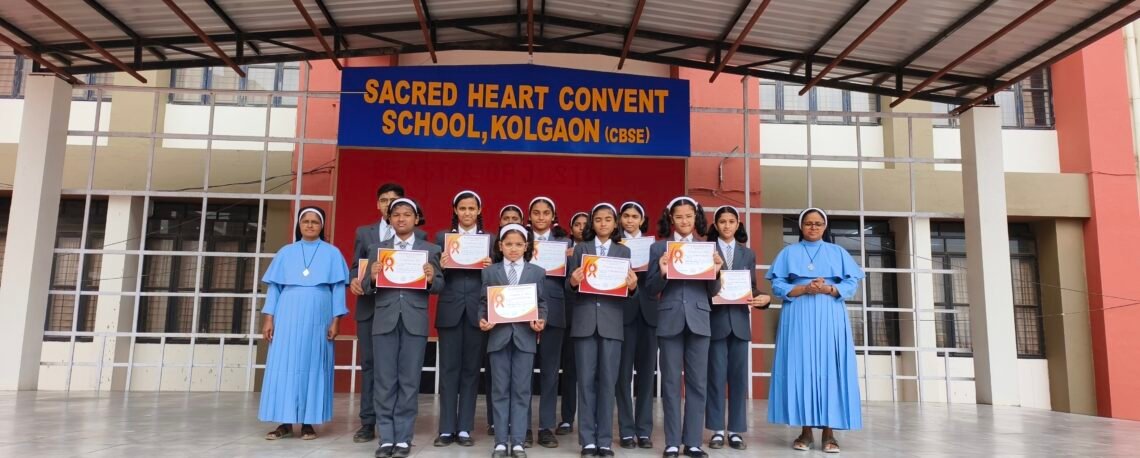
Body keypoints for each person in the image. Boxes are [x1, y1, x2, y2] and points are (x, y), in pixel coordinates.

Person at [767, 208, 864, 454]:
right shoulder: (788, 252)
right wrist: (804, 289)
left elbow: (851, 282)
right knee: (802, 369)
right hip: (798, 314)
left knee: (830, 369)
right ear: (801, 226)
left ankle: (830, 434)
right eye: (808, 223)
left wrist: (829, 289)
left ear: (825, 226)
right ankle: (806, 432)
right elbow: (777, 284)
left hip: (830, 314)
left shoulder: (838, 252)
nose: (813, 227)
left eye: (818, 223)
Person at [363, 198, 444, 458]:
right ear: (389, 219)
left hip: (414, 321)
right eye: (396, 214)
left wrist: (431, 279)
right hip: (384, 321)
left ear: (416, 219)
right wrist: (372, 277)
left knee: (409, 381)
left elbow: (440, 285)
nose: (401, 218)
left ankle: (403, 439)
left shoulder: (430, 249)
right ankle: (386, 438)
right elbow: (365, 287)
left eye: (407, 214)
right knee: (384, 381)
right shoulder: (377, 249)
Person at [259, 207, 349, 441]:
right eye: (305, 221)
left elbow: (338, 289)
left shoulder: (332, 253)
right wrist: (269, 318)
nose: (310, 225)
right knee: (286, 366)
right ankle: (285, 422)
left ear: (322, 226)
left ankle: (309, 422)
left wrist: (336, 320)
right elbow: (275, 288)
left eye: (315, 222)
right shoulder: (285, 252)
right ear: (299, 225)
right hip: (287, 314)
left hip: (319, 315)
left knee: (313, 365)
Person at [646, 197, 723, 458]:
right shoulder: (659, 248)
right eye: (679, 217)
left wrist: (717, 271)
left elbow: (713, 291)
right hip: (670, 319)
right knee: (669, 383)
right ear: (671, 219)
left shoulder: (707, 248)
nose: (684, 221)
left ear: (696, 217)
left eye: (689, 216)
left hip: (699, 319)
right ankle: (671, 442)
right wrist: (662, 272)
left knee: (698, 383)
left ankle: (692, 442)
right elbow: (650, 289)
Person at [349, 182, 420, 443]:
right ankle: (369, 422)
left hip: (403, 309)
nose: (389, 204)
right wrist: (355, 279)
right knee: (371, 366)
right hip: (370, 307)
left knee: (400, 369)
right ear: (379, 205)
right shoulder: (364, 233)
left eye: (394, 200)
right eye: (384, 200)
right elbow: (355, 266)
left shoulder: (419, 238)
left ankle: (397, 426)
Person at [565, 203, 638, 457]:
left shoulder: (623, 251)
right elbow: (568, 289)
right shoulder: (581, 249)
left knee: (608, 383)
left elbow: (627, 291)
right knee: (585, 382)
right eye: (598, 219)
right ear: (592, 223)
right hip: (584, 323)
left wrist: (632, 287)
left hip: (611, 324)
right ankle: (587, 441)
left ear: (615, 223)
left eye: (608, 219)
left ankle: (604, 440)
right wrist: (572, 282)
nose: (603, 223)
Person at [704, 206, 770, 450]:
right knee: (715, 378)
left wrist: (765, 299)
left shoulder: (748, 253)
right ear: (715, 225)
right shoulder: (707, 251)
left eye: (731, 221)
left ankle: (735, 430)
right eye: (722, 221)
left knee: (739, 379)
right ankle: (717, 430)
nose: (727, 225)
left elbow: (751, 286)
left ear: (738, 224)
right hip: (715, 320)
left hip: (740, 323)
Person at [480, 224, 548, 458]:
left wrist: (541, 320)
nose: (513, 248)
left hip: (525, 338)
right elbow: (483, 302)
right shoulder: (490, 272)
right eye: (508, 244)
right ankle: (500, 442)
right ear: (500, 246)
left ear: (526, 246)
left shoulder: (537, 272)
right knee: (499, 390)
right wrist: (482, 319)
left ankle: (518, 442)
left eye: (519, 244)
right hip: (498, 338)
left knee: (521, 391)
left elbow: (541, 303)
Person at [434, 190, 493, 448]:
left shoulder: (490, 240)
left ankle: (465, 428)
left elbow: (497, 278)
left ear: (479, 211)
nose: (467, 213)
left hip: (477, 312)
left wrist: (491, 268)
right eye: (462, 208)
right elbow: (434, 279)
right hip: (450, 311)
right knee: (448, 371)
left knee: (471, 371)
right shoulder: (441, 238)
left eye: (471, 208)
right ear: (455, 211)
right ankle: (447, 429)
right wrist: (440, 266)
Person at [526, 196, 571, 448]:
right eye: (536, 212)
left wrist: (571, 261)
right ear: (530, 216)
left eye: (546, 213)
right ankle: (522, 426)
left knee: (550, 373)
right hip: (522, 310)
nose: (541, 217)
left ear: (553, 216)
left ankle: (545, 427)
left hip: (553, 311)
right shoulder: (519, 240)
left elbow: (571, 284)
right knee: (522, 373)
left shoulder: (565, 244)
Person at [615, 200, 657, 449]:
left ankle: (644, 430)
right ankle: (626, 430)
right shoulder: (615, 245)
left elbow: (657, 281)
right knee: (622, 376)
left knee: (646, 376)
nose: (630, 220)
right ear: (620, 219)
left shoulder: (654, 246)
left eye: (634, 216)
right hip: (623, 314)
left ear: (642, 220)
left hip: (649, 314)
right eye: (626, 216)